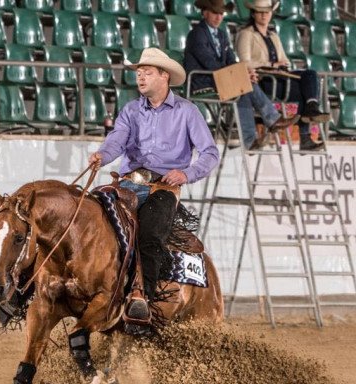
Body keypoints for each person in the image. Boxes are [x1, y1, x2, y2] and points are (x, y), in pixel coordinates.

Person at [88, 47, 220, 321]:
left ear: (164, 76)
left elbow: (210, 153)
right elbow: (117, 140)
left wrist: (186, 174)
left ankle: (142, 297)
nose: (141, 77)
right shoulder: (130, 110)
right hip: (127, 183)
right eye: (139, 73)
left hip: (162, 188)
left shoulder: (187, 111)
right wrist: (103, 155)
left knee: (149, 234)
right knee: (91, 219)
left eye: (147, 72)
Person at [184, 0, 299, 151]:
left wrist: (243, 73)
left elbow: (231, 60)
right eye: (215, 13)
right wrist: (239, 75)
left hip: (220, 79)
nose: (219, 17)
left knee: (243, 88)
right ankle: (271, 119)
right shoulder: (197, 34)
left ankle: (251, 140)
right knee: (243, 83)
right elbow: (209, 63)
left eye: (221, 13)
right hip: (203, 81)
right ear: (205, 13)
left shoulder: (221, 34)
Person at [236, 0, 330, 151]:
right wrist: (271, 64)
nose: (264, 15)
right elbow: (244, 63)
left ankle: (310, 114)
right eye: (260, 11)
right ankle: (306, 130)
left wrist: (282, 65)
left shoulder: (273, 36)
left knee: (310, 76)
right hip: (262, 80)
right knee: (304, 89)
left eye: (267, 11)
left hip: (279, 78)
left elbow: (284, 59)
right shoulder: (246, 34)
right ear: (253, 13)